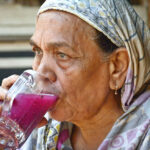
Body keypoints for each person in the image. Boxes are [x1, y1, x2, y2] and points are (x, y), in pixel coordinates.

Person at [0, 0, 150, 149]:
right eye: (38, 51)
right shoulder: (34, 130)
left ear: (117, 68)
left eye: (62, 55)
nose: (41, 72)